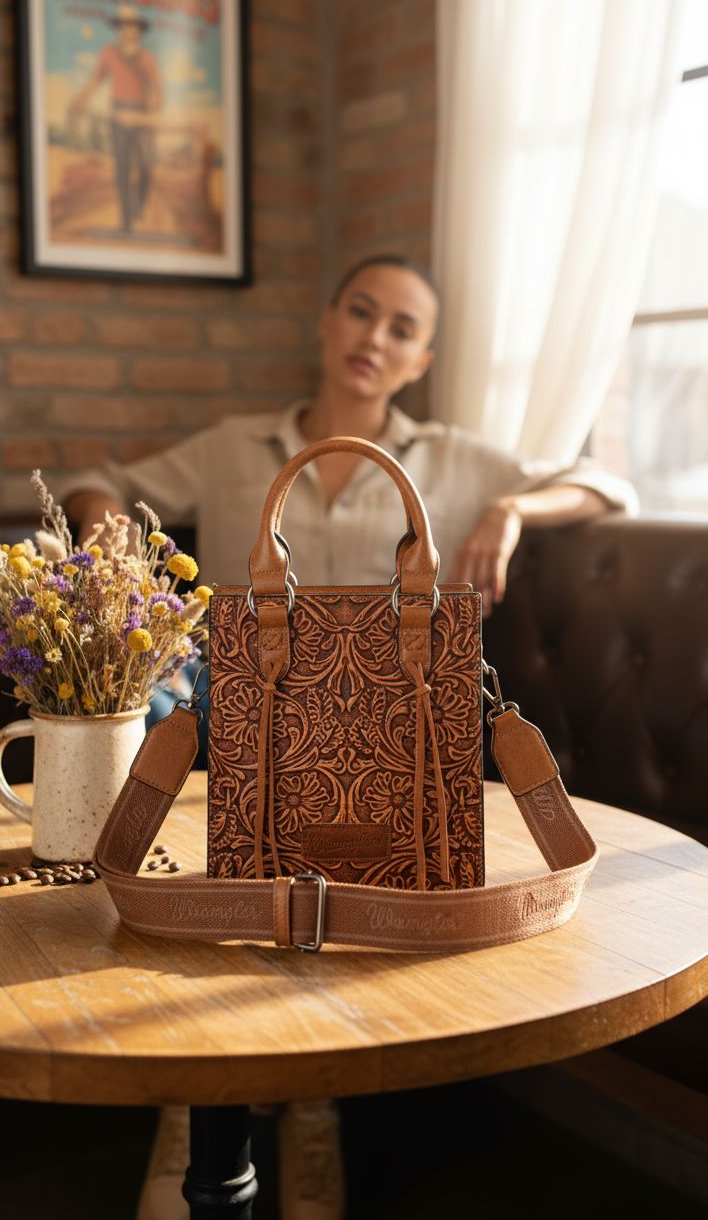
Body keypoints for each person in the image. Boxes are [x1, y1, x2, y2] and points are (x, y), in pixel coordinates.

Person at [61, 254, 637, 1220]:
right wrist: (108, 529)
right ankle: (191, 1102)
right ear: (326, 322)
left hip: (397, 743)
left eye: (401, 327)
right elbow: (93, 479)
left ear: (422, 357)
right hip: (243, 729)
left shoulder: (455, 458)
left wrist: (509, 508)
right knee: (208, 804)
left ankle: (310, 1105)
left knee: (309, 877)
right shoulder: (235, 446)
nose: (375, 337)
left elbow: (602, 479)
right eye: (360, 312)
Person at [70, 4, 163, 234]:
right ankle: (126, 220)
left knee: (146, 165)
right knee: (121, 168)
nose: (127, 30)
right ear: (118, 29)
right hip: (118, 113)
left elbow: (158, 90)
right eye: (122, 26)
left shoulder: (148, 58)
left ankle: (139, 206)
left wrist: (148, 110)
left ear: (138, 30)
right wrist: (81, 98)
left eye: (131, 26)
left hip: (141, 115)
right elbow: (96, 78)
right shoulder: (108, 53)